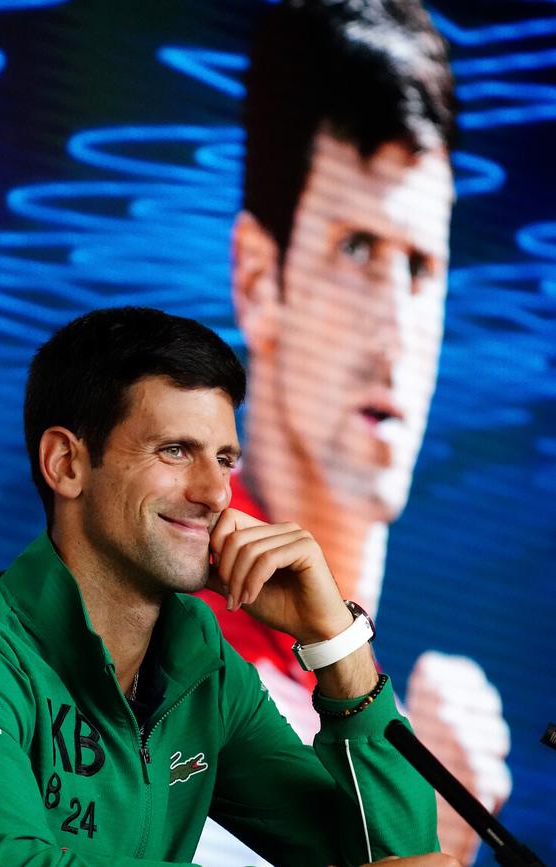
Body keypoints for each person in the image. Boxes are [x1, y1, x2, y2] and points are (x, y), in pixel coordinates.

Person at [0, 307, 460, 867]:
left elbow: (391, 857)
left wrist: (336, 640)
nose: (217, 493)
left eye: (224, 459)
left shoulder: (203, 667)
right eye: (175, 451)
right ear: (66, 463)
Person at [197, 0, 510, 862]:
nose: (395, 328)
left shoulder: (357, 693)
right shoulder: (173, 667)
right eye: (357, 250)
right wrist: (434, 846)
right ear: (261, 281)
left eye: (421, 265)